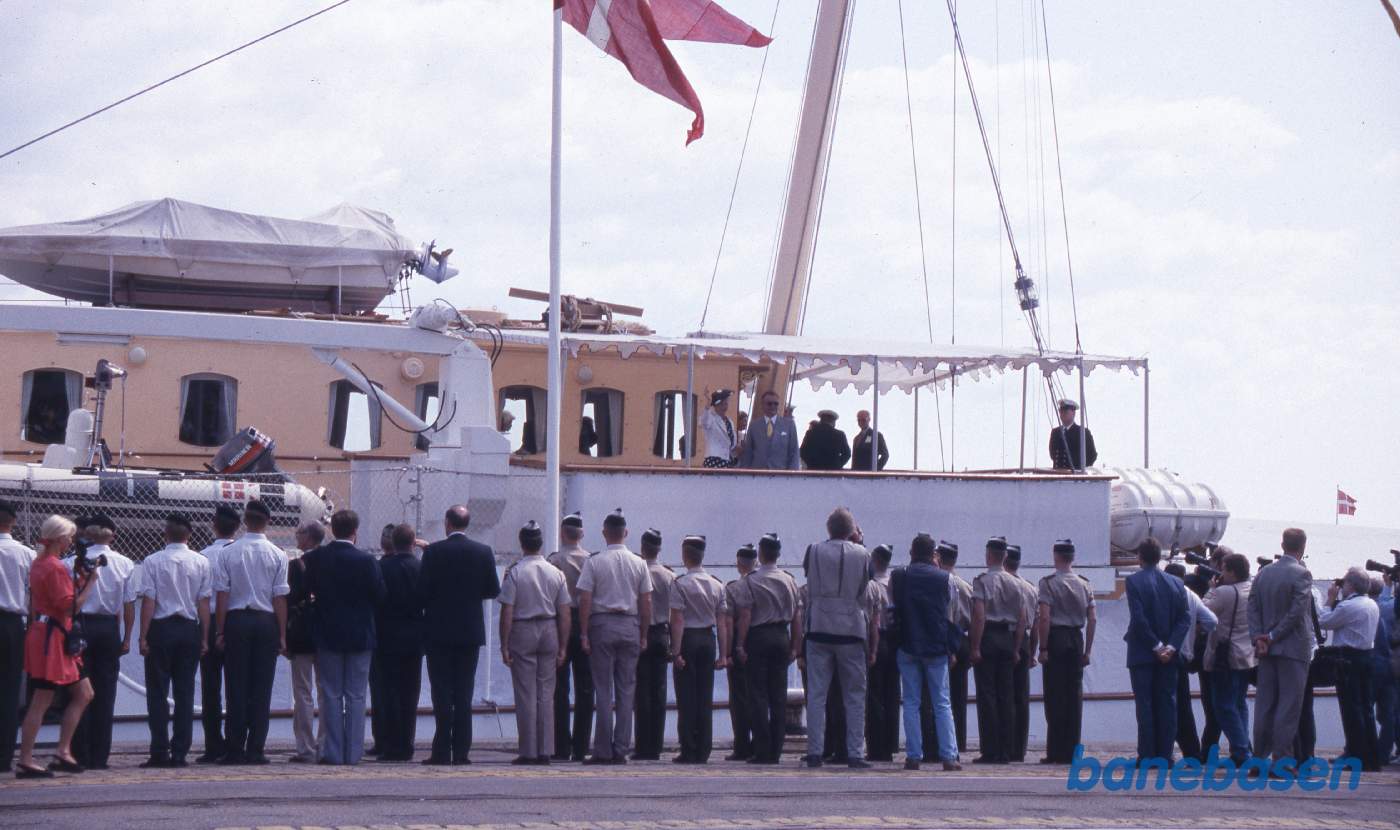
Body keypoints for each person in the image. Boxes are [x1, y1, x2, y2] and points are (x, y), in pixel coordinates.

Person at [14, 516, 96, 778]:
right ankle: (30, 757)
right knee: (44, 698)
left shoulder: (40, 564)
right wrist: (91, 582)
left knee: (78, 693)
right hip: (54, 637)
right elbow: (69, 606)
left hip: (47, 634)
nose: (71, 541)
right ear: (60, 539)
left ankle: (61, 751)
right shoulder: (55, 567)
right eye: (68, 537)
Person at [419, 505, 499, 765]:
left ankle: (441, 750)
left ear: (447, 523)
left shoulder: (434, 552)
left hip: (438, 630)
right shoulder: (483, 552)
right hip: (469, 631)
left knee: (441, 692)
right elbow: (491, 590)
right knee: (464, 692)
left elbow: (423, 591)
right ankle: (462, 750)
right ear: (467, 524)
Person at [304, 509, 386, 766]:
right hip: (360, 633)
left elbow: (307, 591)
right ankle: (353, 752)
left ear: (333, 530)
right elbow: (379, 596)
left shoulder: (317, 558)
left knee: (330, 693)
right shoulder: (367, 561)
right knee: (356, 694)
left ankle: (333, 751)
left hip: (328, 632)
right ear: (355, 532)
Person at [213, 499, 289, 765]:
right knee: (261, 687)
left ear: (245, 521)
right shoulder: (278, 554)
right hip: (266, 620)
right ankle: (256, 748)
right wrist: (282, 634)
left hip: (237, 619)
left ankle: (234, 747)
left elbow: (222, 594)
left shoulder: (229, 553)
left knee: (236, 686)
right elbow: (280, 597)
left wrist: (220, 630)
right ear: (267, 522)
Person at [799, 507, 875, 769]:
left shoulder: (814, 550)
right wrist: (860, 543)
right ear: (853, 531)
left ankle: (815, 752)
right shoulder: (863, 554)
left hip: (818, 626)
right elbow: (868, 580)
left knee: (817, 695)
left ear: (828, 528)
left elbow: (808, 574)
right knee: (854, 695)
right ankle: (855, 752)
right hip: (851, 630)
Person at [577, 509, 652, 764]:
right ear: (626, 533)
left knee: (603, 689)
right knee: (626, 690)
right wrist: (643, 634)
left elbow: (585, 598)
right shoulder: (639, 563)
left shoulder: (595, 561)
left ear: (604, 533)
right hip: (630, 625)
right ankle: (621, 748)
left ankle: (602, 749)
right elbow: (646, 601)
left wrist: (584, 633)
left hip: (601, 625)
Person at [136, 513, 211, 770]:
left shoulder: (152, 561)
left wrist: (143, 635)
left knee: (157, 692)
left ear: (165, 534)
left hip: (161, 627)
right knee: (185, 691)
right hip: (189, 628)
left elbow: (149, 600)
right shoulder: (201, 562)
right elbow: (203, 602)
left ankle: (159, 750)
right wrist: (204, 636)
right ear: (189, 535)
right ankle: (180, 751)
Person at [68, 514, 138, 771]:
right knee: (106, 692)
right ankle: (100, 755)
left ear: (88, 534)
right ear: (112, 535)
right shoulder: (125, 563)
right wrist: (127, 637)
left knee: (78, 691)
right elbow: (129, 605)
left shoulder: (72, 563)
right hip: (109, 626)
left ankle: (78, 752)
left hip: (81, 624)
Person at [499, 520, 571, 765]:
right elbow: (565, 612)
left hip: (523, 629)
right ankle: (545, 750)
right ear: (541, 544)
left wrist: (504, 644)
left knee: (526, 693)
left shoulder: (516, 572)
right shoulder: (556, 572)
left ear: (522, 544)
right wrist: (563, 645)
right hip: (550, 628)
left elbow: (507, 611)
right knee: (546, 693)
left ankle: (528, 750)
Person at [891, 533, 962, 771]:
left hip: (908, 643)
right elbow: (951, 613)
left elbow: (892, 609)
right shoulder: (945, 579)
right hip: (936, 646)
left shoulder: (899, 576)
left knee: (911, 702)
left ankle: (913, 755)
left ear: (911, 552)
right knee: (942, 701)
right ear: (934, 555)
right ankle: (949, 756)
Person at [1247, 527, 1315, 770]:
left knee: (1264, 704)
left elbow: (1252, 606)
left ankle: (1258, 758)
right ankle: (1282, 761)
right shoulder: (1302, 575)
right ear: (1303, 547)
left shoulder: (1264, 573)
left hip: (1265, 650)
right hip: (1292, 648)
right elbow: (1297, 613)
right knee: (1288, 706)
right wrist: (1273, 635)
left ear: (1283, 544)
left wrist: (1258, 637)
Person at [733, 532, 801, 765]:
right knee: (778, 696)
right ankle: (776, 749)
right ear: (779, 554)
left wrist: (740, 644)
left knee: (758, 695)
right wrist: (795, 646)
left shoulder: (750, 580)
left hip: (758, 636)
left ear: (760, 554)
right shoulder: (790, 580)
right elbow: (796, 617)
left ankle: (762, 749)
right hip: (781, 635)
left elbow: (745, 615)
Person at [1124, 537, 1190, 763]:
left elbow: (1139, 620)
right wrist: (1170, 646)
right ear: (1159, 557)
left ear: (1140, 557)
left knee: (1145, 704)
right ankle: (1166, 754)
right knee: (1167, 703)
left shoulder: (1134, 581)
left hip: (1143, 652)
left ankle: (1147, 754)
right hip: (1170, 655)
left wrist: (1157, 646)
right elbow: (1185, 619)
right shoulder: (1176, 583)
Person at [668, 534, 728, 764]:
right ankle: (704, 748)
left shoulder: (680, 584)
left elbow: (678, 621)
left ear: (685, 556)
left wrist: (676, 652)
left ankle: (688, 748)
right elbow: (721, 623)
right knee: (705, 696)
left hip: (688, 639)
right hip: (707, 640)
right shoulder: (717, 584)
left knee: (686, 698)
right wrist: (723, 655)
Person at [1036, 539, 1096, 765]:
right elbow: (1092, 619)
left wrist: (1042, 648)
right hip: (1076, 638)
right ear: (1073, 557)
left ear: (1056, 556)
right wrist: (1087, 650)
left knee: (1054, 696)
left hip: (1056, 637)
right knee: (1074, 697)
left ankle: (1055, 751)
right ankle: (1072, 751)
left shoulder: (1048, 583)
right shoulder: (1084, 584)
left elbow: (1044, 617)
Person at [970, 536, 1026, 764]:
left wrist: (974, 646)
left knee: (987, 696)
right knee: (1007, 696)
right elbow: (1022, 619)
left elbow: (979, 616)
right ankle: (1007, 749)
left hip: (989, 636)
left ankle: (990, 750)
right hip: (1008, 637)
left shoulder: (982, 581)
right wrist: (1016, 647)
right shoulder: (1016, 583)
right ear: (1004, 556)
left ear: (989, 555)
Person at [1318, 567, 1381, 770]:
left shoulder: (1348, 606)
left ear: (1351, 585)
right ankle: (1370, 755)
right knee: (1365, 708)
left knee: (1350, 709)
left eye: (1344, 583)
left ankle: (1355, 754)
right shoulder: (1372, 604)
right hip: (1367, 658)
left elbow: (1323, 622)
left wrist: (1329, 599)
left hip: (1348, 659)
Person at [375, 523, 424, 762]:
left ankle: (390, 743)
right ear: (413, 542)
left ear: (393, 542)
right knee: (410, 692)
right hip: (414, 635)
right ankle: (407, 743)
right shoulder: (420, 567)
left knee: (389, 691)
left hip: (386, 635)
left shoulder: (382, 567)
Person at [195, 504, 240, 763]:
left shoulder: (202, 556)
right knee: (236, 684)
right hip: (234, 618)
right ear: (238, 527)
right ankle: (236, 741)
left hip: (208, 620)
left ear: (214, 525)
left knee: (210, 686)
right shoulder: (238, 553)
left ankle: (213, 743)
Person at [1201, 552, 1256, 764]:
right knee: (1239, 702)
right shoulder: (1251, 589)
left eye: (1223, 569)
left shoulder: (1224, 592)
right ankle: (1241, 748)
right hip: (1247, 655)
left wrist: (1211, 589)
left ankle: (1242, 752)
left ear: (1232, 572)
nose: (1221, 573)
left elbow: (1203, 610)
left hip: (1226, 654)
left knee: (1223, 706)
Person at [549, 512, 594, 762]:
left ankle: (561, 745)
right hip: (587, 623)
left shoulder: (554, 560)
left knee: (560, 688)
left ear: (562, 532)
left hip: (560, 622)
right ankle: (581, 745)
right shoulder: (591, 560)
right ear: (582, 534)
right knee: (586, 688)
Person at [1164, 561, 1217, 761]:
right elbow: (1211, 621)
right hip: (1184, 655)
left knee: (1166, 705)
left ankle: (1165, 750)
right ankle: (1192, 751)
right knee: (1184, 706)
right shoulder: (1191, 594)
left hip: (1165, 653)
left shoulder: (1164, 592)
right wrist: (1198, 630)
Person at [0, 500, 35, 773]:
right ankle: (4, 755)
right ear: (12, 522)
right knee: (10, 690)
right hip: (14, 623)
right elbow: (34, 594)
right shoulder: (27, 554)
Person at [284, 521, 323, 763]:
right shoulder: (331, 562)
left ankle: (306, 747)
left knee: (303, 692)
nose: (297, 536)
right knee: (327, 691)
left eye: (299, 533)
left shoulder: (295, 566)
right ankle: (327, 744)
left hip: (301, 633)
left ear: (308, 538)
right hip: (327, 633)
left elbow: (287, 601)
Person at [633, 528, 673, 760]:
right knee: (659, 692)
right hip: (662, 634)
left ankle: (642, 745)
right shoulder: (669, 575)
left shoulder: (638, 572)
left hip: (641, 633)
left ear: (642, 547)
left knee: (641, 692)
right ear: (659, 549)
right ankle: (655, 746)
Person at [932, 541, 973, 754]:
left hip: (946, 640)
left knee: (939, 696)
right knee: (959, 695)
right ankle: (960, 743)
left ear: (939, 557)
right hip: (963, 638)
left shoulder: (940, 583)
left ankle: (941, 743)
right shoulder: (966, 586)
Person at [1004, 544, 1039, 762]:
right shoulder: (1031, 588)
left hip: (1005, 638)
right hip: (1025, 641)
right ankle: (1020, 748)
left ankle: (1005, 745)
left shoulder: (1004, 585)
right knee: (1021, 696)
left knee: (1004, 694)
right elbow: (1034, 625)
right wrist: (1033, 652)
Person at [723, 544, 758, 761]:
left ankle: (742, 745)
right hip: (762, 642)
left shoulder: (734, 588)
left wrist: (729, 651)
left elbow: (728, 622)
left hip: (740, 643)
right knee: (761, 695)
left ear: (738, 564)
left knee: (739, 697)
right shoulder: (771, 581)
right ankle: (764, 741)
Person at [864, 544, 899, 762]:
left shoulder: (872, 585)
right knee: (892, 694)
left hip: (877, 639)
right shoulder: (895, 584)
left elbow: (872, 621)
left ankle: (876, 746)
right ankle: (890, 743)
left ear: (875, 560)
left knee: (874, 695)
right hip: (894, 642)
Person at [738, 390, 800, 470]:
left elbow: (794, 451)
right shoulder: (754, 425)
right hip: (757, 472)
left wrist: (793, 474)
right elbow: (748, 452)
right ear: (762, 405)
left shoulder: (789, 425)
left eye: (776, 404)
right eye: (769, 404)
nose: (773, 406)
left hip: (780, 473)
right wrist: (744, 472)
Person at [1048, 399, 1097, 471]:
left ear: (1073, 413)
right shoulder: (1055, 432)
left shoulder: (1082, 432)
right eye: (1061, 412)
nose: (1063, 414)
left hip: (1075, 477)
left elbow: (1092, 455)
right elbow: (1053, 455)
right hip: (1058, 475)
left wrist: (1080, 470)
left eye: (1066, 412)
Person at [700, 389, 738, 468]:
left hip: (727, 460)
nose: (724, 406)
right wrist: (707, 405)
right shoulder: (711, 418)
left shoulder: (729, 421)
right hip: (713, 460)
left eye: (726, 403)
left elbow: (731, 443)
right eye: (721, 404)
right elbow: (704, 421)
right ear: (715, 405)